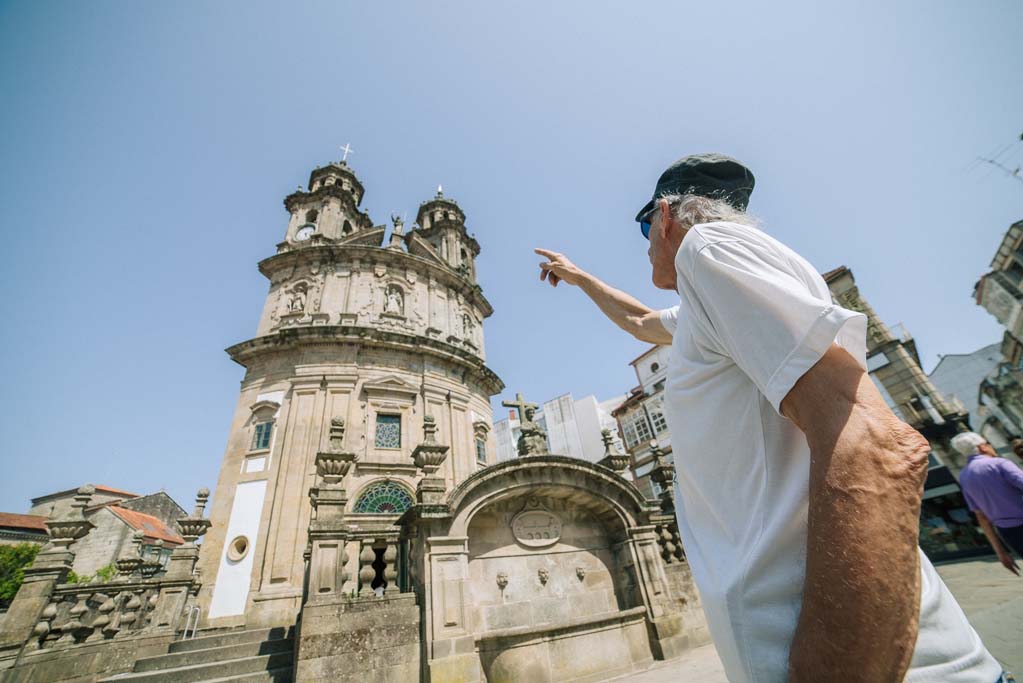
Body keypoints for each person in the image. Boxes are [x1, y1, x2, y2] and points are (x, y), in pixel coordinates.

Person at [535, 153, 1003, 682]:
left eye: (645, 227)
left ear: (665, 217)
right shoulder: (707, 295)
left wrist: (834, 669)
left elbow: (874, 442)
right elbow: (642, 320)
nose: (646, 244)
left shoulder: (708, 250)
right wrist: (579, 278)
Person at [952, 431, 1023, 574]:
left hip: (1010, 534)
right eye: (988, 443)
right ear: (982, 447)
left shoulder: (964, 477)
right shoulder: (999, 464)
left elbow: (982, 517)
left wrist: (1000, 552)